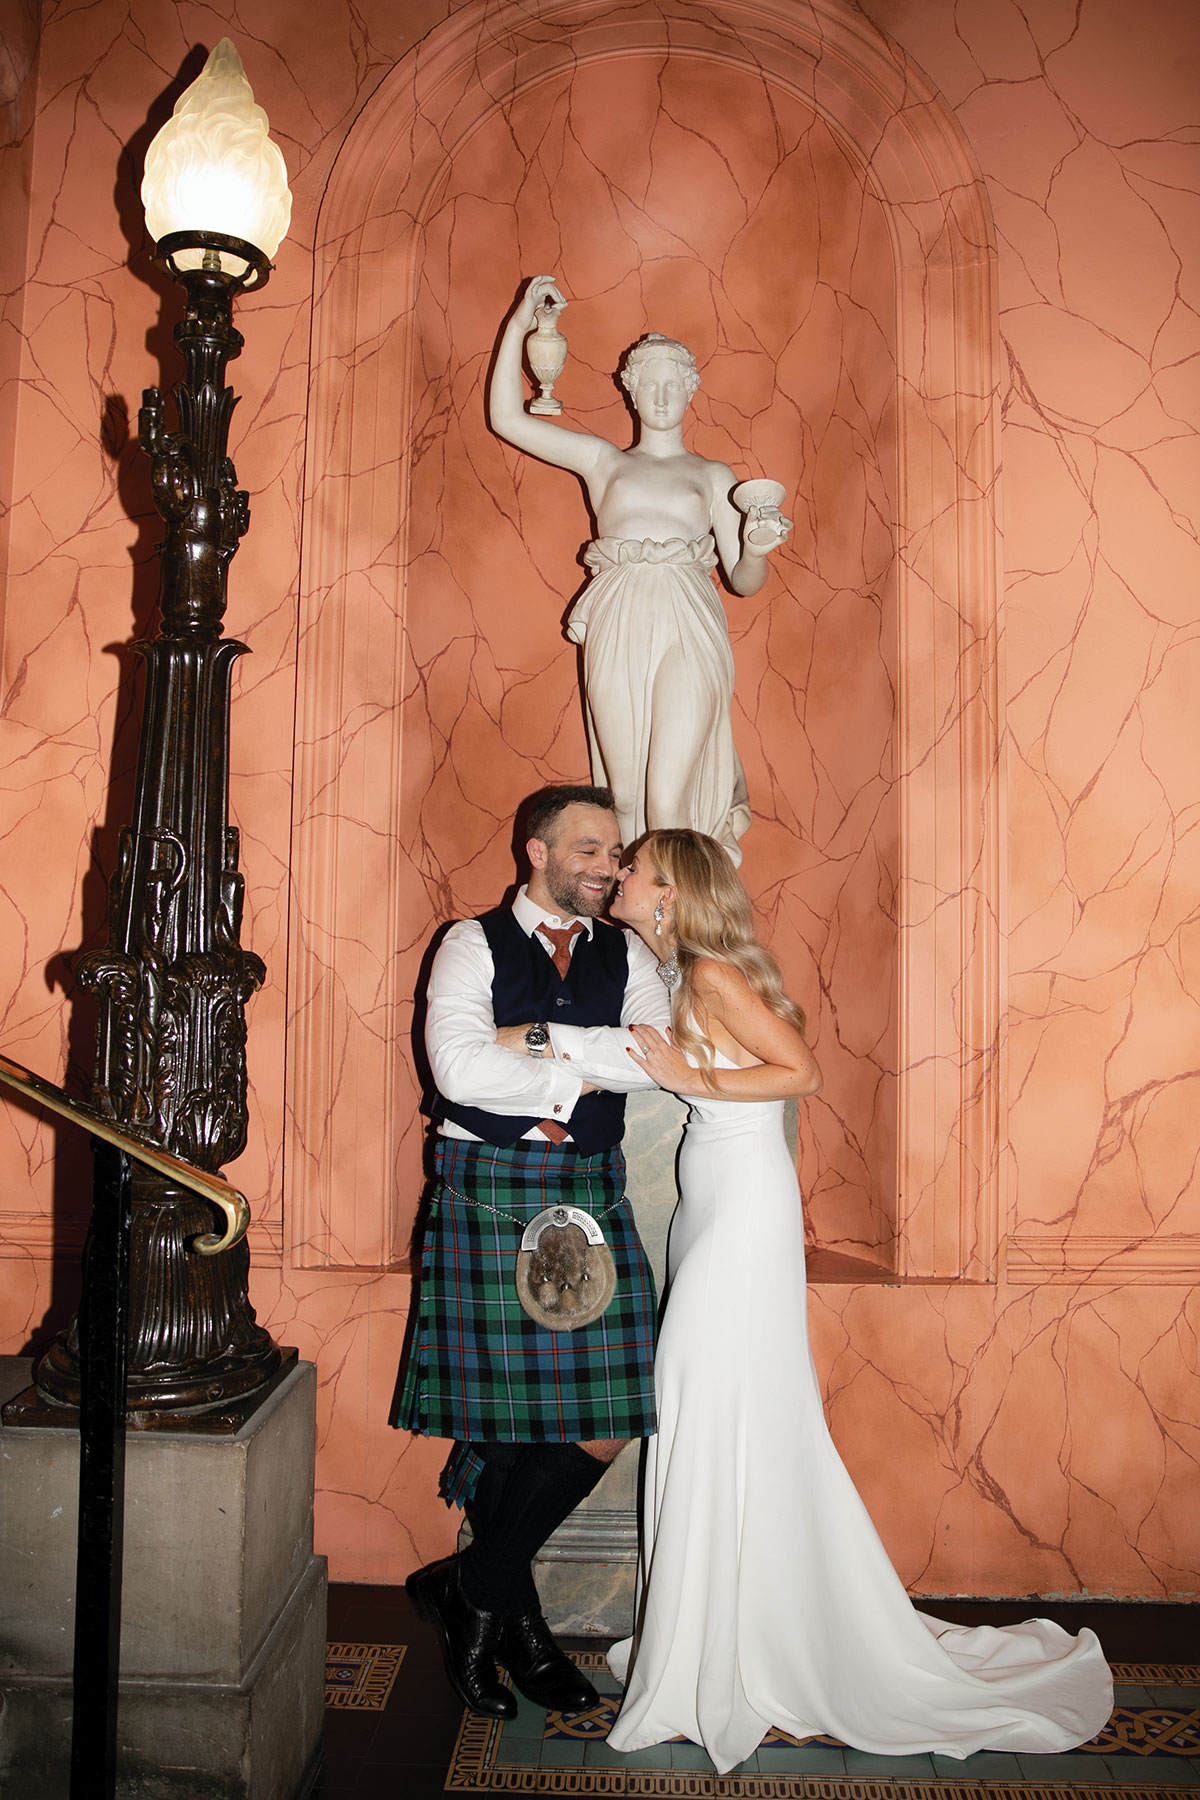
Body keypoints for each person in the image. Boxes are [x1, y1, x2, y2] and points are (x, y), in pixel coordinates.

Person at [548, 828, 1114, 1773]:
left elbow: (801, 1070)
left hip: (741, 1215)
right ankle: (717, 1637)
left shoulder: (712, 974)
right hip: (719, 1205)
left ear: (669, 891)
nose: (623, 875)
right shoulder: (688, 967)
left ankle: (718, 1650)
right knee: (718, 1409)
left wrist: (690, 1077)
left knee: (701, 1400)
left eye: (637, 866)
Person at [396, 785, 672, 1722]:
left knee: (613, 1410)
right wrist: (583, 1067)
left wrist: (543, 1041)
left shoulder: (631, 952)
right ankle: (515, 1625)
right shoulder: (468, 943)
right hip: (485, 1192)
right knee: (512, 1426)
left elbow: (652, 1059)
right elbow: (459, 1070)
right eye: (589, 849)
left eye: (614, 851)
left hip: (588, 1196)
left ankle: (471, 1587)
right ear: (536, 851)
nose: (607, 865)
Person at [489, 276, 791, 865]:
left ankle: (676, 944)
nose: (659, 398)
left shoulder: (713, 476)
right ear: (630, 392)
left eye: (671, 385)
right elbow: (505, 417)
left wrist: (755, 548)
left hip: (686, 618)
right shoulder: (604, 462)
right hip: (620, 617)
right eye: (648, 385)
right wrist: (521, 321)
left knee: (668, 797)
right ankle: (630, 948)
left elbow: (744, 581)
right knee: (624, 798)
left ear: (689, 391)